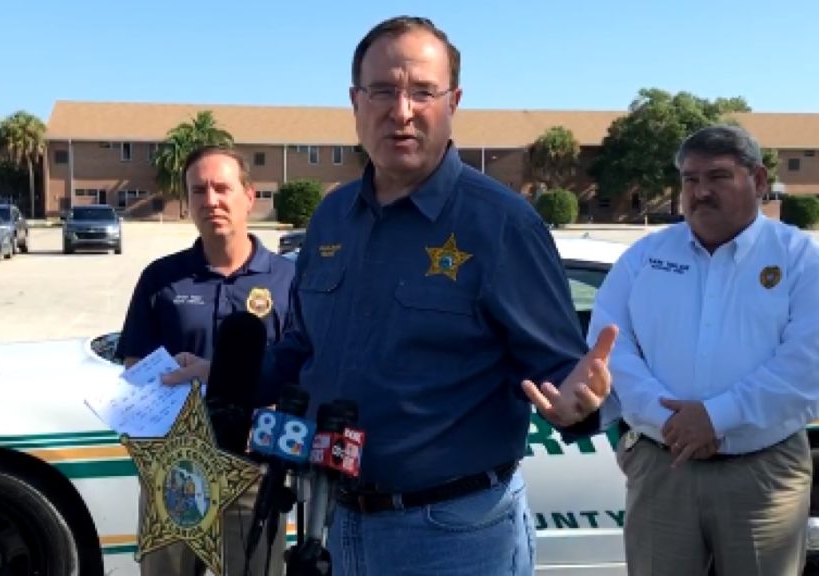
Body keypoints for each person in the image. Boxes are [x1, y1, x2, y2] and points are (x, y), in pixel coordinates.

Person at [164, 16, 617, 576]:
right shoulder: (332, 218)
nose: (401, 111)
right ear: (356, 102)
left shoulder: (502, 226)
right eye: (382, 90)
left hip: (454, 535)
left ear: (453, 102)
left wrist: (580, 407)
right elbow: (304, 348)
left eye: (423, 91)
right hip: (332, 520)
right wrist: (229, 376)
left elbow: (561, 374)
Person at [588, 125, 819, 576]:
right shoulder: (645, 257)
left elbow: (807, 362)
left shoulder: (798, 259)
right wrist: (669, 419)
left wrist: (717, 417)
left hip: (762, 473)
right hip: (663, 466)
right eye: (690, 179)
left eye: (718, 177)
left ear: (757, 180)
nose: (701, 192)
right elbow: (610, 345)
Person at [117, 145, 295, 575]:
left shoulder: (290, 280)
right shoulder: (161, 279)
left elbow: (304, 371)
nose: (211, 200)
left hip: (254, 473)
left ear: (249, 196)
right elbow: (135, 369)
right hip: (176, 477)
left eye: (222, 188)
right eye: (199, 191)